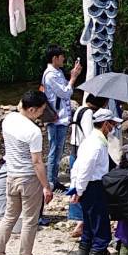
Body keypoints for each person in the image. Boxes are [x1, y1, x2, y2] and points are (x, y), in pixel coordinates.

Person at [0, 90, 53, 255]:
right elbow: (37, 162)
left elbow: (20, 105)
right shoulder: (33, 132)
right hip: (28, 180)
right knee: (29, 220)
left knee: (9, 217)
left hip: (11, 176)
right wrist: (46, 187)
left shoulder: (9, 119)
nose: (43, 113)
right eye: (41, 109)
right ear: (32, 110)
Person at [70, 107, 121, 255]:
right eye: (113, 124)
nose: (114, 127)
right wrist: (79, 190)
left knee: (89, 230)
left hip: (88, 188)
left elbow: (77, 167)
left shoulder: (89, 140)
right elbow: (84, 169)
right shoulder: (97, 144)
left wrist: (75, 187)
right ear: (105, 124)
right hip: (94, 189)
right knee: (102, 233)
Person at [40, 47, 81, 192]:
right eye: (62, 57)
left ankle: (54, 179)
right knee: (54, 150)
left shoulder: (57, 72)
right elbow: (66, 93)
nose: (64, 59)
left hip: (60, 118)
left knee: (58, 149)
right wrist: (73, 77)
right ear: (54, 58)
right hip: (56, 119)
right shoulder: (51, 75)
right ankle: (51, 181)